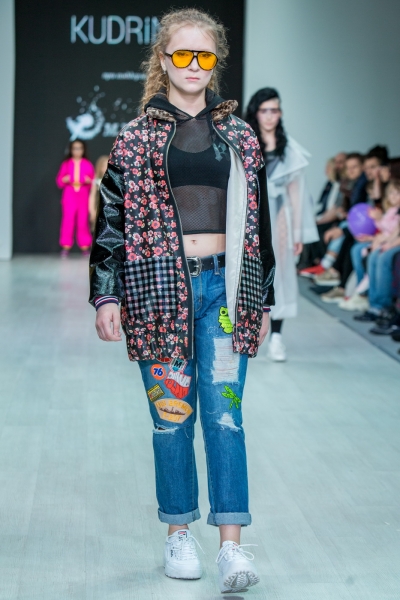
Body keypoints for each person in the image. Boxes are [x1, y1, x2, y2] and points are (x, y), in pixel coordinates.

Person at [89, 8, 275, 594]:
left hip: (226, 291)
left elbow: (260, 224)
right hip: (158, 289)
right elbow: (111, 220)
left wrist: (263, 301)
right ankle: (178, 534)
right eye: (182, 54)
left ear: (216, 61)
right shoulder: (136, 136)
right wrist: (106, 293)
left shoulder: (239, 135)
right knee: (171, 418)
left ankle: (231, 548)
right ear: (163, 60)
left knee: (225, 415)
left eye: (205, 55)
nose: (194, 65)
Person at [245, 87, 318, 361]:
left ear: (280, 113)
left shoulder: (289, 150)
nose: (269, 116)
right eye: (264, 110)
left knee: (281, 275)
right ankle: (247, 330)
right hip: (249, 217)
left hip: (280, 221)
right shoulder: (245, 142)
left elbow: (297, 195)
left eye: (274, 110)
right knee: (247, 272)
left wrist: (298, 233)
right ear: (256, 113)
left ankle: (276, 337)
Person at [339, 179, 400, 311]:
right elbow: (389, 230)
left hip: (390, 242)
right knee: (357, 249)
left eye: (397, 193)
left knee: (378, 257)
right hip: (384, 239)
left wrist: (385, 241)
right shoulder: (392, 210)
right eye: (391, 193)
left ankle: (377, 303)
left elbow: (393, 232)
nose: (394, 196)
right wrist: (374, 238)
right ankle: (365, 295)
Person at [56, 139, 95, 257]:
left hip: (83, 194)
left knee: (83, 220)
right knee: (68, 220)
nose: (77, 151)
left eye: (79, 148)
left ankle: (85, 246)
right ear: (71, 150)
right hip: (70, 194)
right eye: (75, 148)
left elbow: (93, 182)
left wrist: (88, 181)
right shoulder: (66, 164)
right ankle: (65, 246)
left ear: (83, 150)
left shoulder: (87, 164)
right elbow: (59, 181)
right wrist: (65, 179)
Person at [89, 155, 109, 230]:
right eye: (104, 166)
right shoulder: (96, 181)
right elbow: (92, 196)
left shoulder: (113, 181)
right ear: (100, 167)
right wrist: (92, 211)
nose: (106, 168)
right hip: (98, 209)